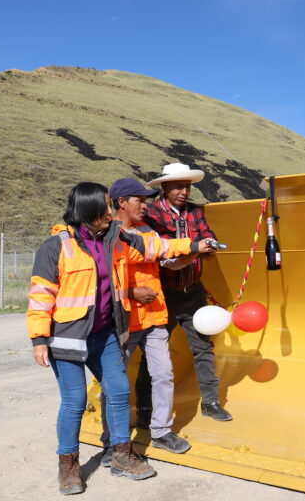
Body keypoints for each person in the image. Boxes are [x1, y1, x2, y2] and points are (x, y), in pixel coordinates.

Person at [27, 182, 213, 495]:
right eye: (106, 206)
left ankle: (122, 455)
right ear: (88, 209)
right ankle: (68, 466)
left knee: (118, 390)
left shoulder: (114, 235)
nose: (111, 210)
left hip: (104, 335)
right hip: (67, 340)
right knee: (75, 402)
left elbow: (156, 247)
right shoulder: (55, 246)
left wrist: (193, 247)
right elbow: (41, 296)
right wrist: (38, 339)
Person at [98, 178, 205, 465]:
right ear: (121, 203)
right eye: (139, 201)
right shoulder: (108, 235)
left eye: (146, 201)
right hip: (124, 321)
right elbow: (100, 281)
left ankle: (160, 431)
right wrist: (131, 292)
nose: (145, 206)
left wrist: (195, 251)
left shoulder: (146, 230)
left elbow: (168, 257)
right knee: (115, 382)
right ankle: (111, 441)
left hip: (155, 316)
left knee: (164, 375)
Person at [145, 163, 232, 422]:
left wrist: (212, 244)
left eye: (187, 186)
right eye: (178, 186)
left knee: (203, 348)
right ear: (164, 187)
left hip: (193, 292)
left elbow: (207, 233)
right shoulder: (150, 214)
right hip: (163, 295)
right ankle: (143, 407)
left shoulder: (195, 212)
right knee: (154, 351)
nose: (184, 191)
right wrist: (196, 248)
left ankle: (211, 402)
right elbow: (162, 250)